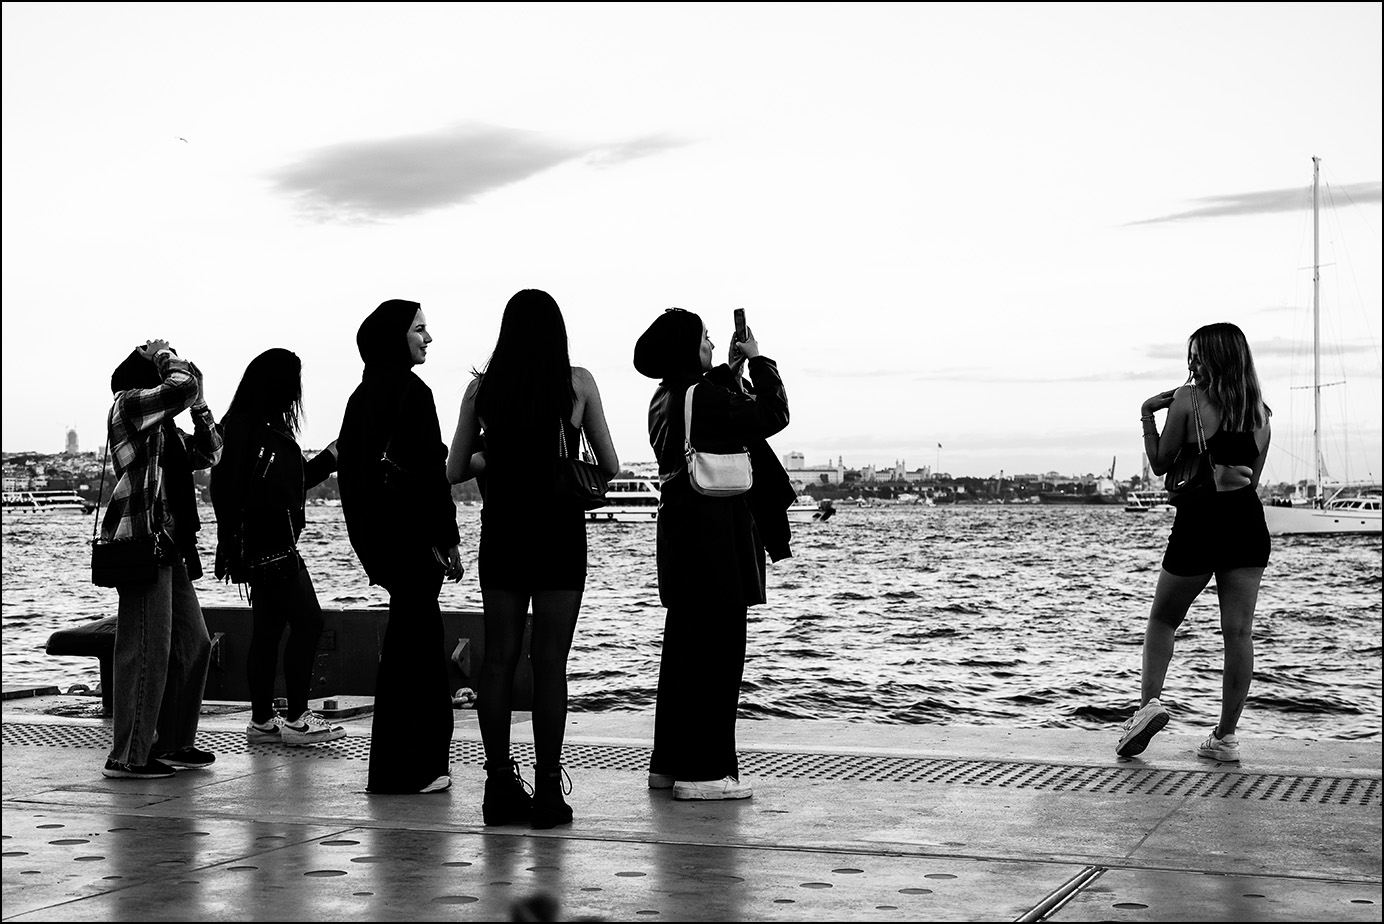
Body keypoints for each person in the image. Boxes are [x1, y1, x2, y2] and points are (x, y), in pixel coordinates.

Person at [447, 289, 619, 829]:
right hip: (558, 535)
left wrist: (494, 454)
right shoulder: (577, 383)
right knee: (549, 665)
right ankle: (547, 792)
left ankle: (499, 786)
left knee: (498, 661)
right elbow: (610, 465)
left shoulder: (482, 390)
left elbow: (454, 469)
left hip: (503, 534)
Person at [632, 308, 795, 800]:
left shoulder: (664, 398)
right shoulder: (702, 397)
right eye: (704, 337)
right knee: (719, 659)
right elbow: (772, 413)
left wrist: (730, 367)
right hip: (717, 540)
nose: (709, 343)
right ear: (687, 346)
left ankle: (668, 764)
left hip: (680, 538)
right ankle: (706, 773)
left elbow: (712, 404)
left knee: (683, 655)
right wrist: (759, 360)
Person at [1118, 322, 1272, 763]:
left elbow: (1160, 463)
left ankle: (1148, 708)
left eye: (1198, 356)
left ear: (1214, 358)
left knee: (1163, 619)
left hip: (1200, 522)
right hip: (1247, 524)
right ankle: (1225, 738)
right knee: (1238, 633)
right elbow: (1251, 482)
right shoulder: (1262, 415)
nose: (1193, 364)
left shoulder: (1188, 400)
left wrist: (1147, 414)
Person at [337, 299, 464, 794]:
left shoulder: (360, 396)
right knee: (421, 656)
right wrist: (448, 539)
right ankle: (415, 767)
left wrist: (367, 540)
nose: (428, 338)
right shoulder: (414, 392)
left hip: (381, 544)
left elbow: (351, 478)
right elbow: (433, 472)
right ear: (396, 337)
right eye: (419, 329)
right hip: (415, 541)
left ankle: (393, 768)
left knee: (403, 651)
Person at [100, 340, 223, 779]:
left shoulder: (164, 428)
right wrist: (163, 355)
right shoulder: (128, 405)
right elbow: (180, 387)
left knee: (194, 643)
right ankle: (128, 755)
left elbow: (211, 452)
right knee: (146, 649)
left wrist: (200, 404)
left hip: (171, 544)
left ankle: (173, 742)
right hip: (141, 542)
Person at [211, 348, 346, 747]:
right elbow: (241, 489)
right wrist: (231, 544)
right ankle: (298, 719)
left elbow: (282, 483)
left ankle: (262, 721)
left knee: (268, 631)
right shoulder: (256, 429)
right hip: (272, 545)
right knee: (309, 622)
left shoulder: (244, 425)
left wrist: (328, 459)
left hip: (257, 547)